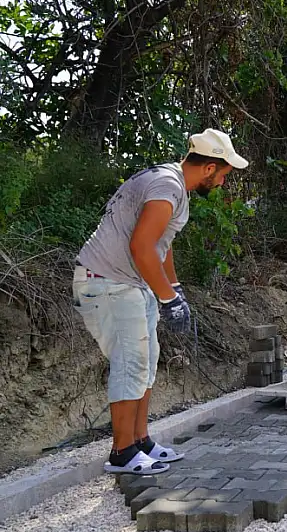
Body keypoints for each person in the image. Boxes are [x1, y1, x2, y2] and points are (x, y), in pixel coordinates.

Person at [73, 129, 248, 475]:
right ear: (210, 168)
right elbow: (141, 246)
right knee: (131, 364)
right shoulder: (167, 186)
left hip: (130, 282)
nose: (224, 182)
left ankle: (141, 442)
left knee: (147, 360)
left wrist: (175, 288)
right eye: (225, 174)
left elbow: (160, 243)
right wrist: (168, 299)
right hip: (108, 281)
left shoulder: (172, 185)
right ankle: (122, 453)